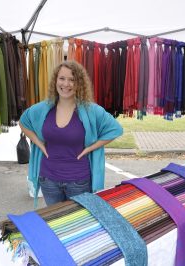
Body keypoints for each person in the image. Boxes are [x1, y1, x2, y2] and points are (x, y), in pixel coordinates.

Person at [19, 61, 123, 206]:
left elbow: (115, 129)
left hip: (79, 182)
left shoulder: (91, 110)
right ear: (55, 80)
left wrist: (90, 148)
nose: (66, 84)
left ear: (79, 83)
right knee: (55, 223)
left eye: (72, 80)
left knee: (79, 225)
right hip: (48, 180)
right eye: (62, 78)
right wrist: (39, 144)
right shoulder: (43, 108)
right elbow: (23, 122)